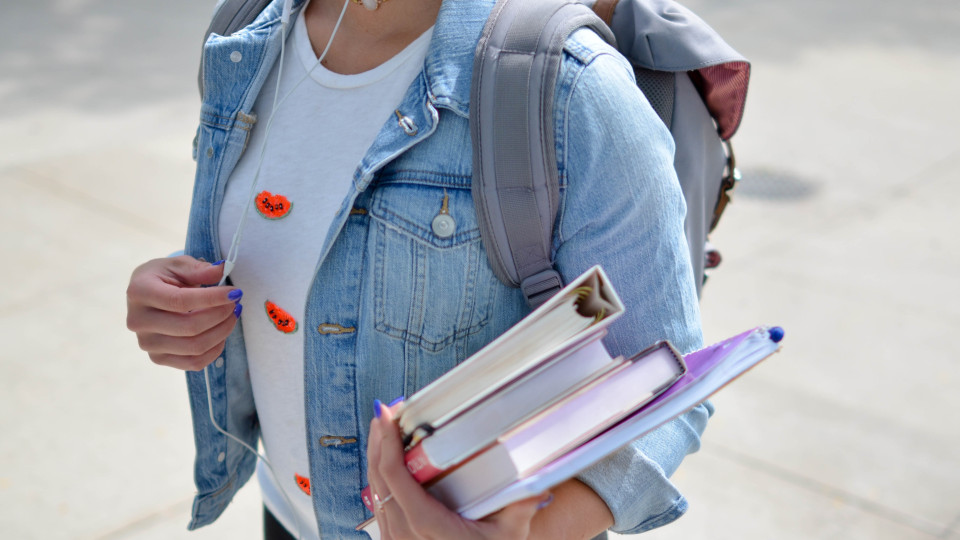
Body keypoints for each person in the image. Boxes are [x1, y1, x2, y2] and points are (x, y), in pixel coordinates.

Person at [125, 0, 711, 538]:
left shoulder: (569, 87)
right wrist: (174, 304)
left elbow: (665, 381)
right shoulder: (247, 34)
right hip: (286, 514)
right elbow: (264, 252)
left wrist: (535, 532)